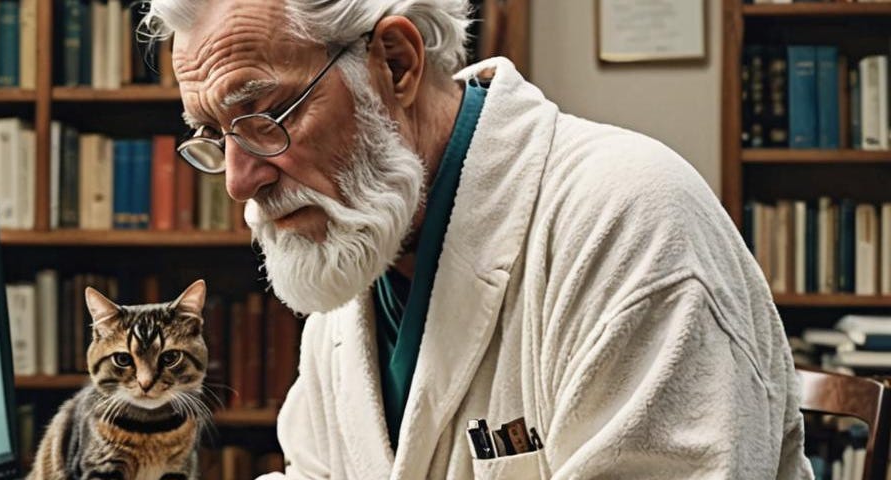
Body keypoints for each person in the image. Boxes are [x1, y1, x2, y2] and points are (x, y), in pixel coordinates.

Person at [142, 0, 813, 478]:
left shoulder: (630, 217)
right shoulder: (355, 239)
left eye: (261, 116)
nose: (237, 181)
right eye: (213, 135)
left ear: (395, 65)